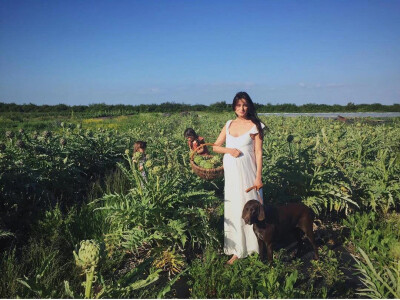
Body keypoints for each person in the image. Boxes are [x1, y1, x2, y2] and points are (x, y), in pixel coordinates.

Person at [212, 91, 265, 265]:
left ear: (248, 106)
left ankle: (256, 246)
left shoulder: (255, 125)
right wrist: (230, 151)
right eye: (238, 105)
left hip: (248, 173)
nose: (241, 108)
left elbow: (258, 153)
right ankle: (237, 250)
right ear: (234, 107)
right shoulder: (228, 124)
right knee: (234, 208)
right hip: (232, 175)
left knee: (250, 207)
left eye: (244, 105)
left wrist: (258, 178)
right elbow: (215, 147)